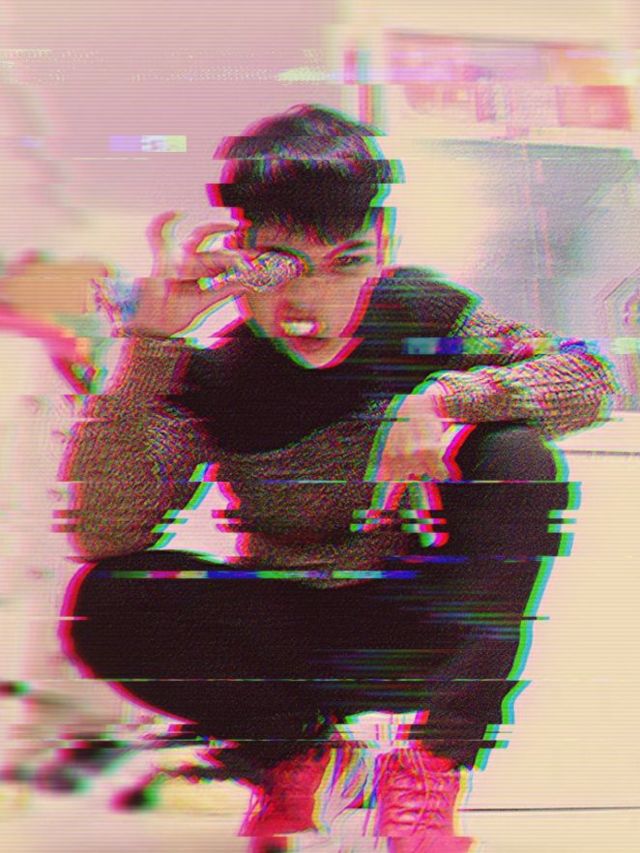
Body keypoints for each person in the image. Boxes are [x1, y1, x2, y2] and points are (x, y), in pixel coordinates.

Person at [56, 105, 617, 852]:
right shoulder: (220, 375)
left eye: (347, 264)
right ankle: (303, 759)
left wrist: (447, 398)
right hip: (285, 636)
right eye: (282, 268)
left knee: (517, 457)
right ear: (240, 256)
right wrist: (150, 344)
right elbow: (104, 531)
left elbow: (590, 377)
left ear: (381, 246)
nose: (310, 304)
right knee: (106, 600)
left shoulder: (423, 315)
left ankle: (431, 769)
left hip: (417, 626)